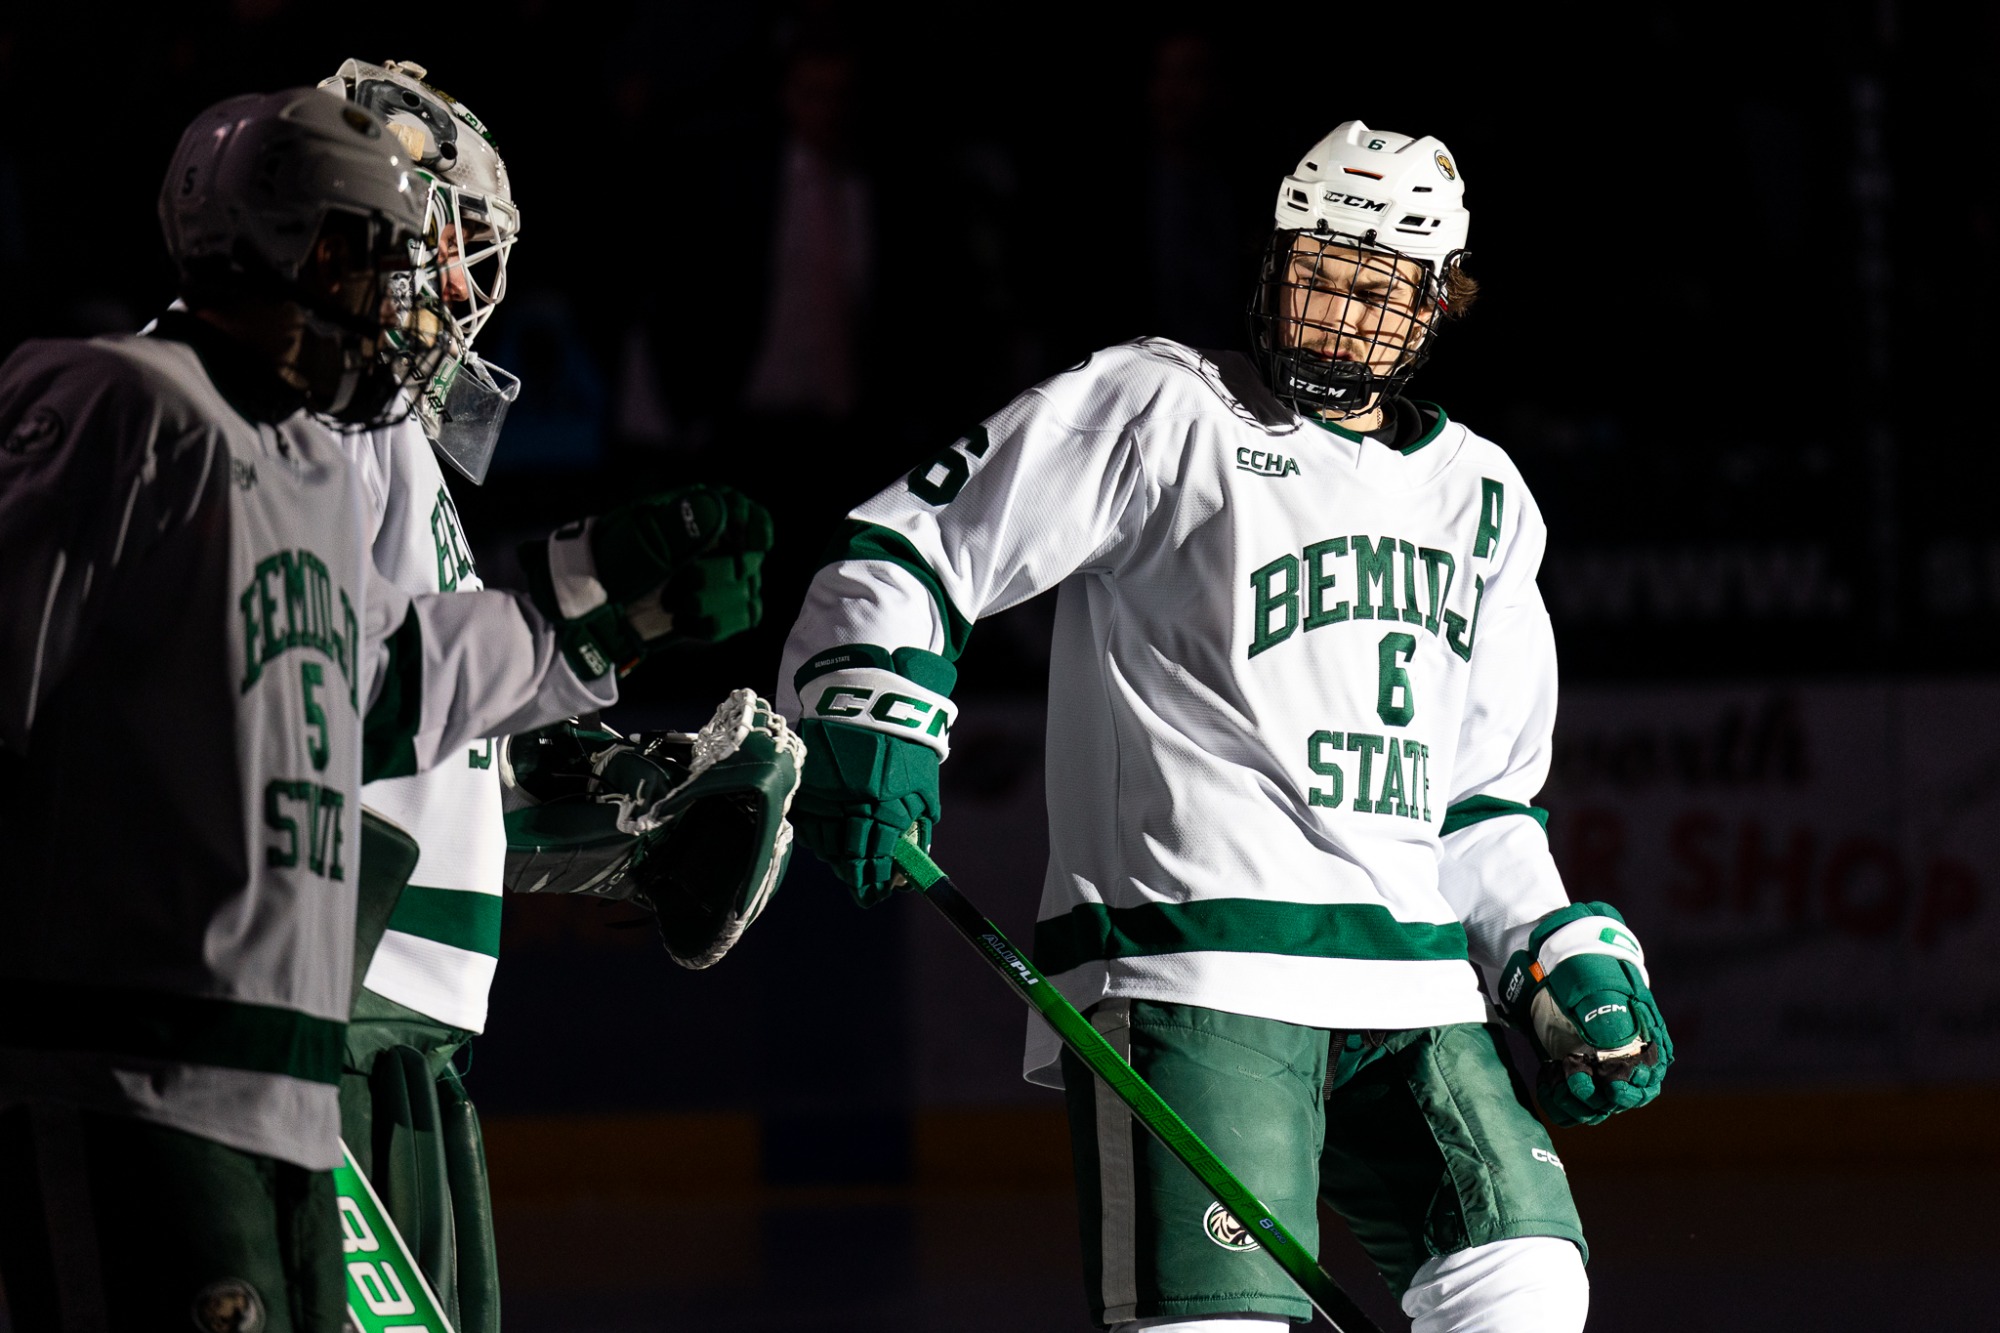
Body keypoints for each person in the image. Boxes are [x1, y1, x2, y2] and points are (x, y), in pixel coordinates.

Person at [777, 120, 1672, 1333]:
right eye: (1316, 271)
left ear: (1436, 304)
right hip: (1198, 972)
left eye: (1374, 288)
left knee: (1526, 1286)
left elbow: (1480, 801)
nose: (1333, 311)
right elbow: (911, 544)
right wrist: (867, 693)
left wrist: (1546, 951)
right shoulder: (1157, 404)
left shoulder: (1486, 499)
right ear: (1270, 261)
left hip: (1413, 992)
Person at [0, 86, 771, 1331]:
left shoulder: (311, 449)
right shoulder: (123, 402)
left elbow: (354, 689)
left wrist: (595, 612)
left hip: (289, 1063)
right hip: (144, 1059)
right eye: (385, 254)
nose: (427, 296)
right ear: (279, 238)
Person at [315, 60, 800, 1331]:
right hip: (321, 1015)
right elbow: (289, 705)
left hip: (402, 1025)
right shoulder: (287, 416)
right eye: (444, 243)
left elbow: (385, 725)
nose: (469, 291)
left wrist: (598, 810)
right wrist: (583, 602)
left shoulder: (374, 429)